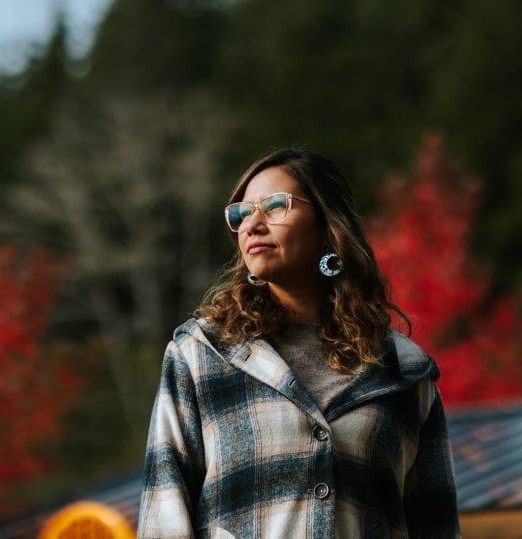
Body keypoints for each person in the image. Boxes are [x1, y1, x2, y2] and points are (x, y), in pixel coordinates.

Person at [138, 148, 460, 538]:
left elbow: (437, 526)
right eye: (242, 213)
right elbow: (163, 519)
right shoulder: (200, 355)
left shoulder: (406, 374)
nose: (252, 224)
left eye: (275, 206)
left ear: (328, 224)